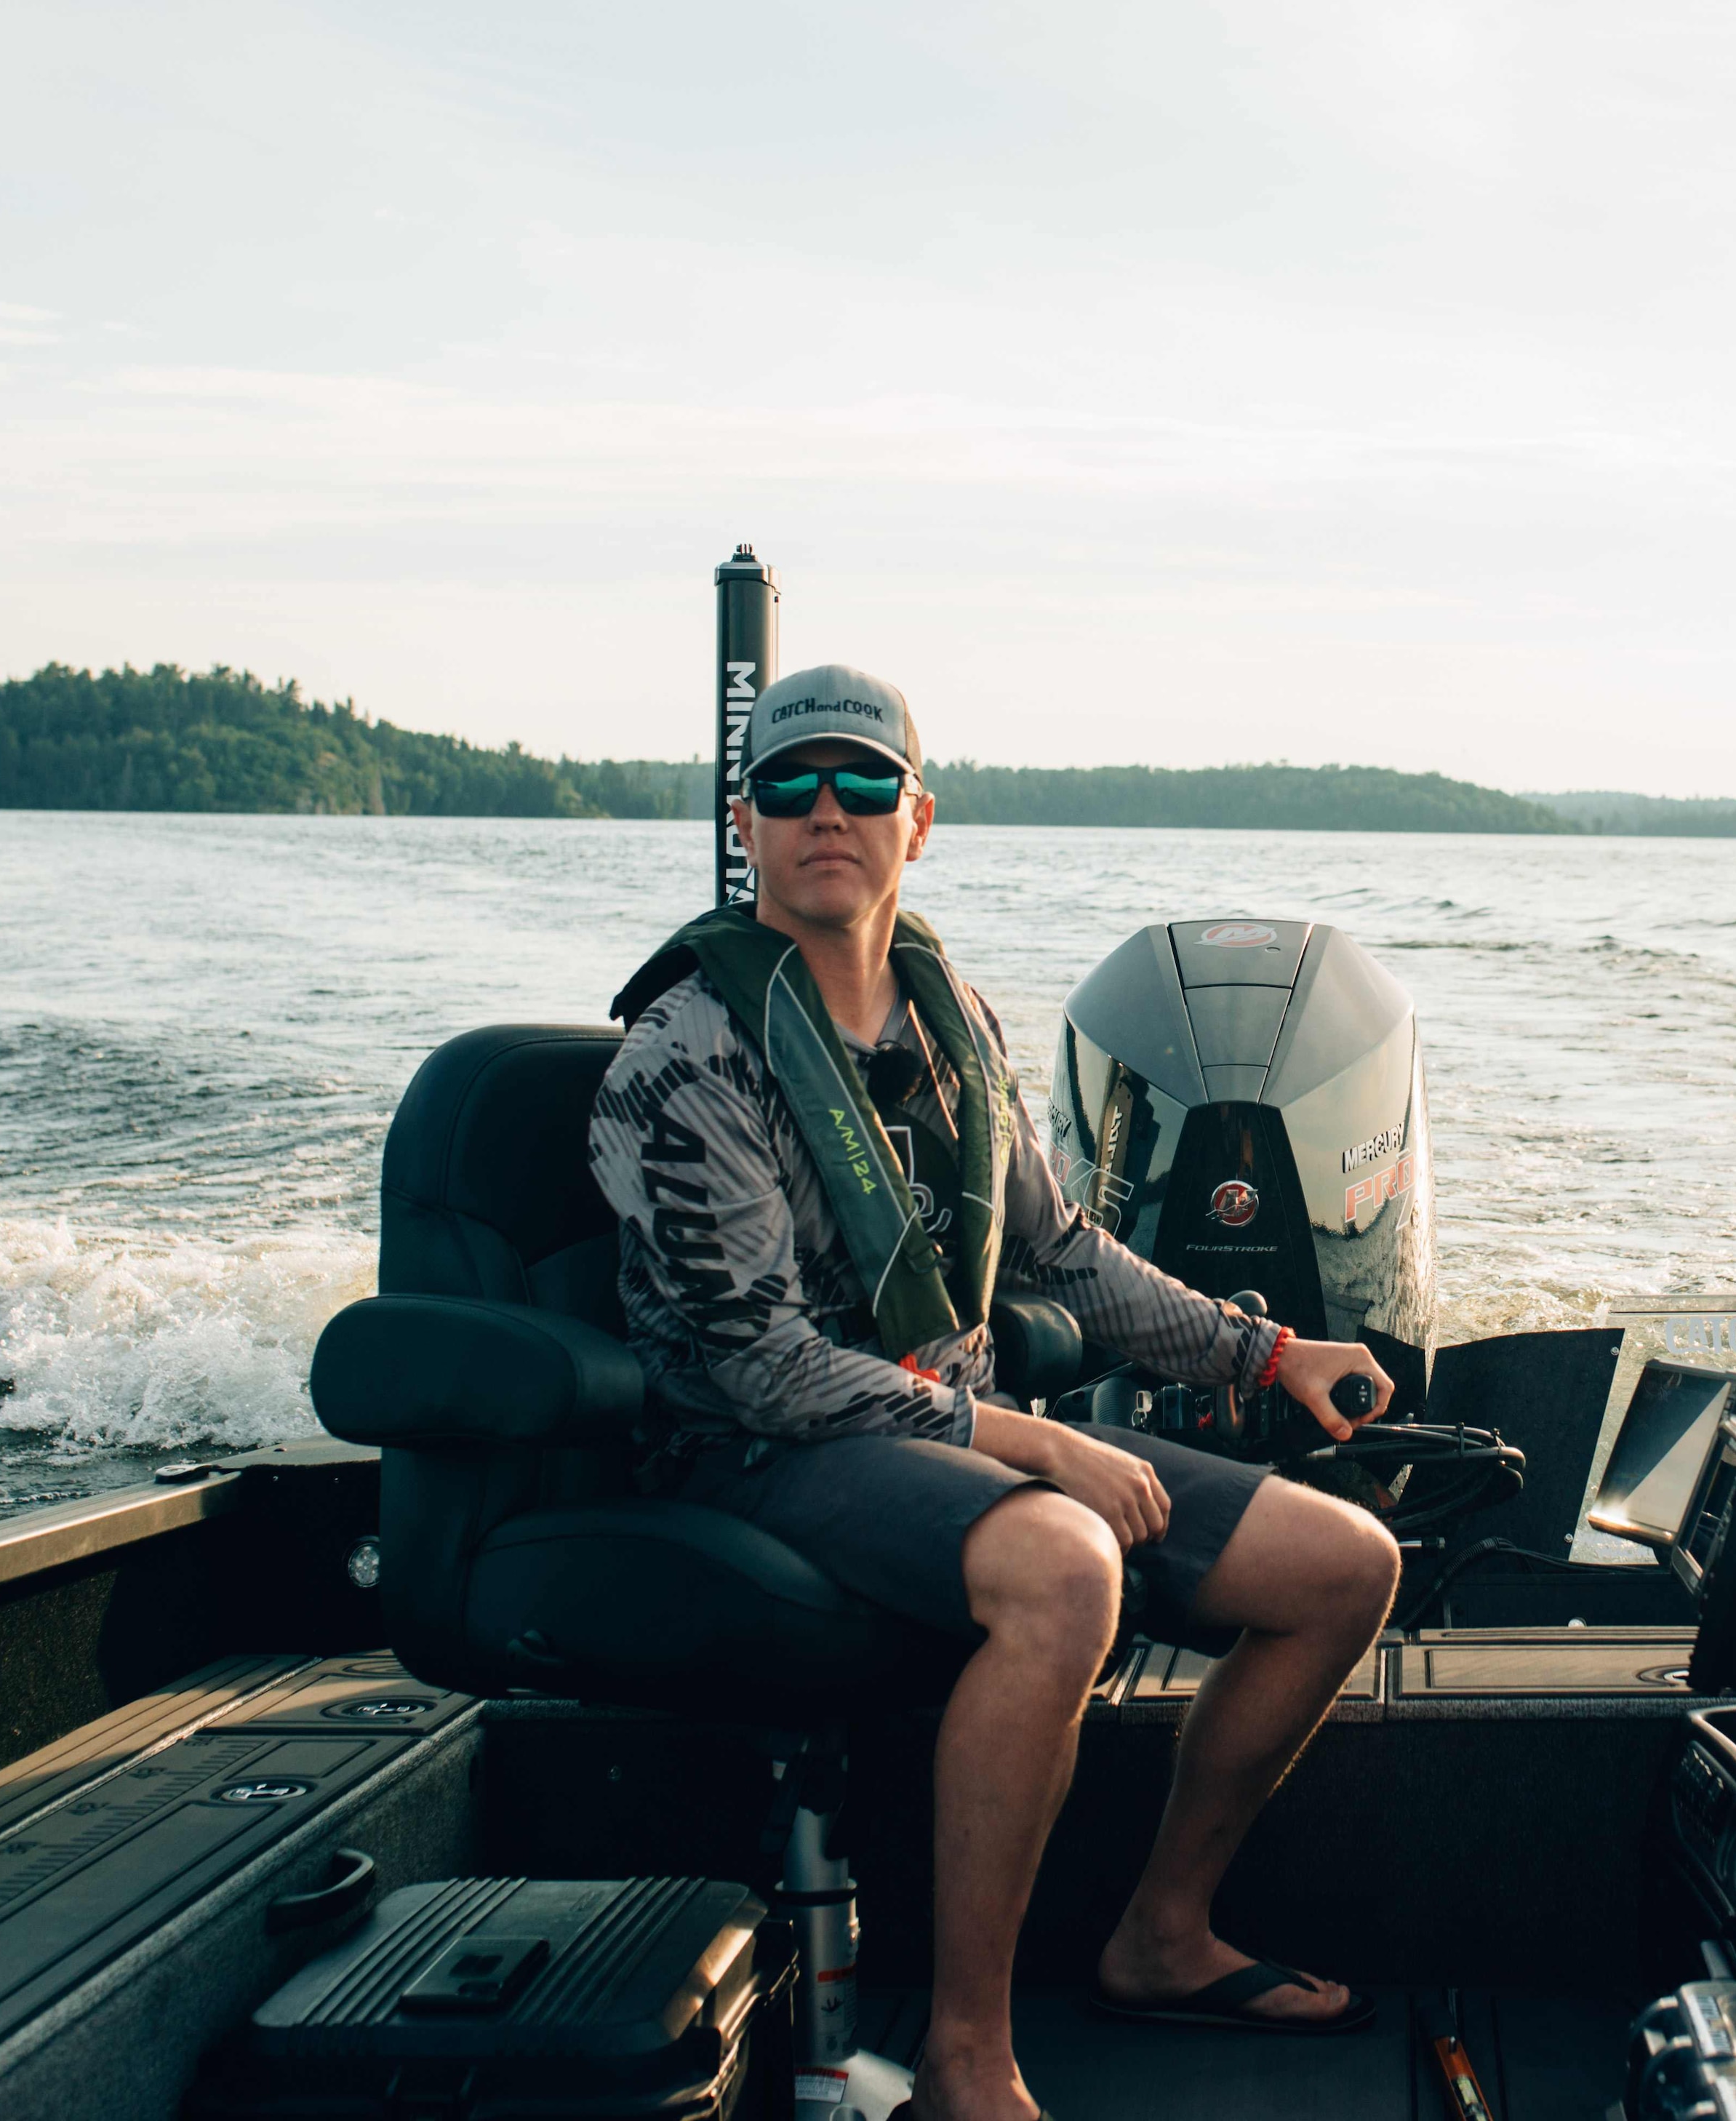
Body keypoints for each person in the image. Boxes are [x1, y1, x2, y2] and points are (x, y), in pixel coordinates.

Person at [589, 663, 1401, 2121]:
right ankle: (969, 2054)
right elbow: (754, 1362)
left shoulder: (946, 1015)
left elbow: (1059, 1249)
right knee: (1063, 1558)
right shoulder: (685, 1051)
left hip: (947, 1437)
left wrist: (1267, 1354)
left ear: (920, 818)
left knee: (1343, 1564)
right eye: (788, 787)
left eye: (859, 784)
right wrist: (1025, 1440)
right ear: (745, 822)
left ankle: (1161, 1930)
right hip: (761, 1451)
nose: (823, 811)